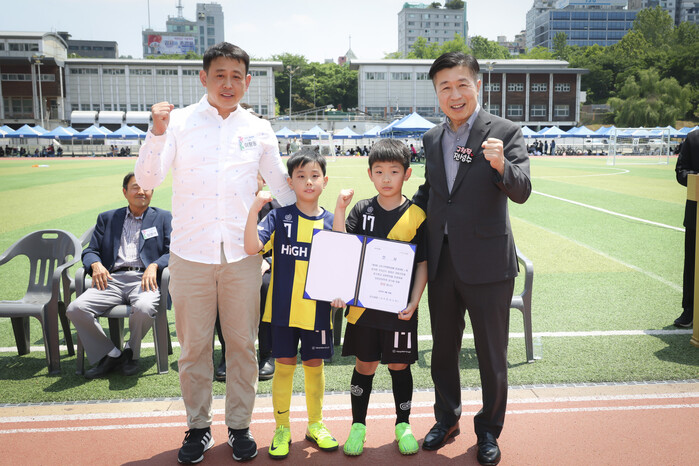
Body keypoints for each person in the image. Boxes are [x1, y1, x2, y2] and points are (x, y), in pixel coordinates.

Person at [135, 42, 296, 464]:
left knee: (242, 346)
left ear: (248, 81)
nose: (228, 83)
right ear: (204, 77)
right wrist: (156, 132)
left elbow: (281, 188)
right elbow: (147, 179)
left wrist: (319, 219)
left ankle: (240, 426)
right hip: (190, 254)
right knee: (194, 349)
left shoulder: (259, 128)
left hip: (243, 257)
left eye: (236, 76)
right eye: (219, 75)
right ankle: (198, 427)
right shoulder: (178, 123)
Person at [412, 52, 531, 466]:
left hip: (488, 265)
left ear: (477, 85)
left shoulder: (505, 132)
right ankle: (446, 419)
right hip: (441, 262)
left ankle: (489, 430)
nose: (454, 94)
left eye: (462, 84)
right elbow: (433, 193)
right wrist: (395, 214)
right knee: (443, 350)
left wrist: (501, 164)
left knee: (491, 354)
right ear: (437, 93)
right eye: (444, 87)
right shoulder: (432, 138)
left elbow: (522, 189)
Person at [331, 139, 428, 457]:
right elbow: (343, 249)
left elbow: (422, 263)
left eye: (394, 171)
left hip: (399, 309)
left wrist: (414, 301)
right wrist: (340, 209)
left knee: (400, 365)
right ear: (370, 174)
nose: (386, 178)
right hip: (363, 309)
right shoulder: (362, 209)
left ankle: (403, 425)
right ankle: (358, 426)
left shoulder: (417, 215)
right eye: (379, 171)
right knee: (365, 364)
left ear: (407, 174)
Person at [244, 147, 339, 460]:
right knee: (284, 367)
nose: (308, 182)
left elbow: (342, 265)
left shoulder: (330, 221)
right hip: (283, 311)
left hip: (318, 312)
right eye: (301, 176)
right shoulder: (278, 217)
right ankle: (281, 428)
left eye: (314, 176)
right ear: (290, 182)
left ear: (324, 180)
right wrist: (255, 208)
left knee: (314, 366)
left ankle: (315, 424)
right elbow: (251, 247)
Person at [66, 172, 172, 379]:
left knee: (144, 307)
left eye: (146, 187)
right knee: (75, 308)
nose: (141, 191)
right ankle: (112, 354)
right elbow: (90, 250)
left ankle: (131, 352)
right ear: (125, 192)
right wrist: (95, 264)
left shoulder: (163, 217)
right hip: (111, 280)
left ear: (152, 192)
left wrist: (154, 266)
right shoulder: (107, 218)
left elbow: (173, 251)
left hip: (145, 280)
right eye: (135, 187)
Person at [215, 173, 278, 383]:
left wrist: (269, 261)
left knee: (266, 285)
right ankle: (228, 354)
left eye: (254, 175)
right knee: (219, 284)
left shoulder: (276, 208)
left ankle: (268, 353)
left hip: (266, 266)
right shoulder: (225, 207)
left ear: (264, 180)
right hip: (231, 264)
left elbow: (287, 243)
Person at [675, 129, 699, 328]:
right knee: (692, 263)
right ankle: (689, 310)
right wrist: (697, 177)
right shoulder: (693, 138)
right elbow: (681, 172)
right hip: (696, 213)